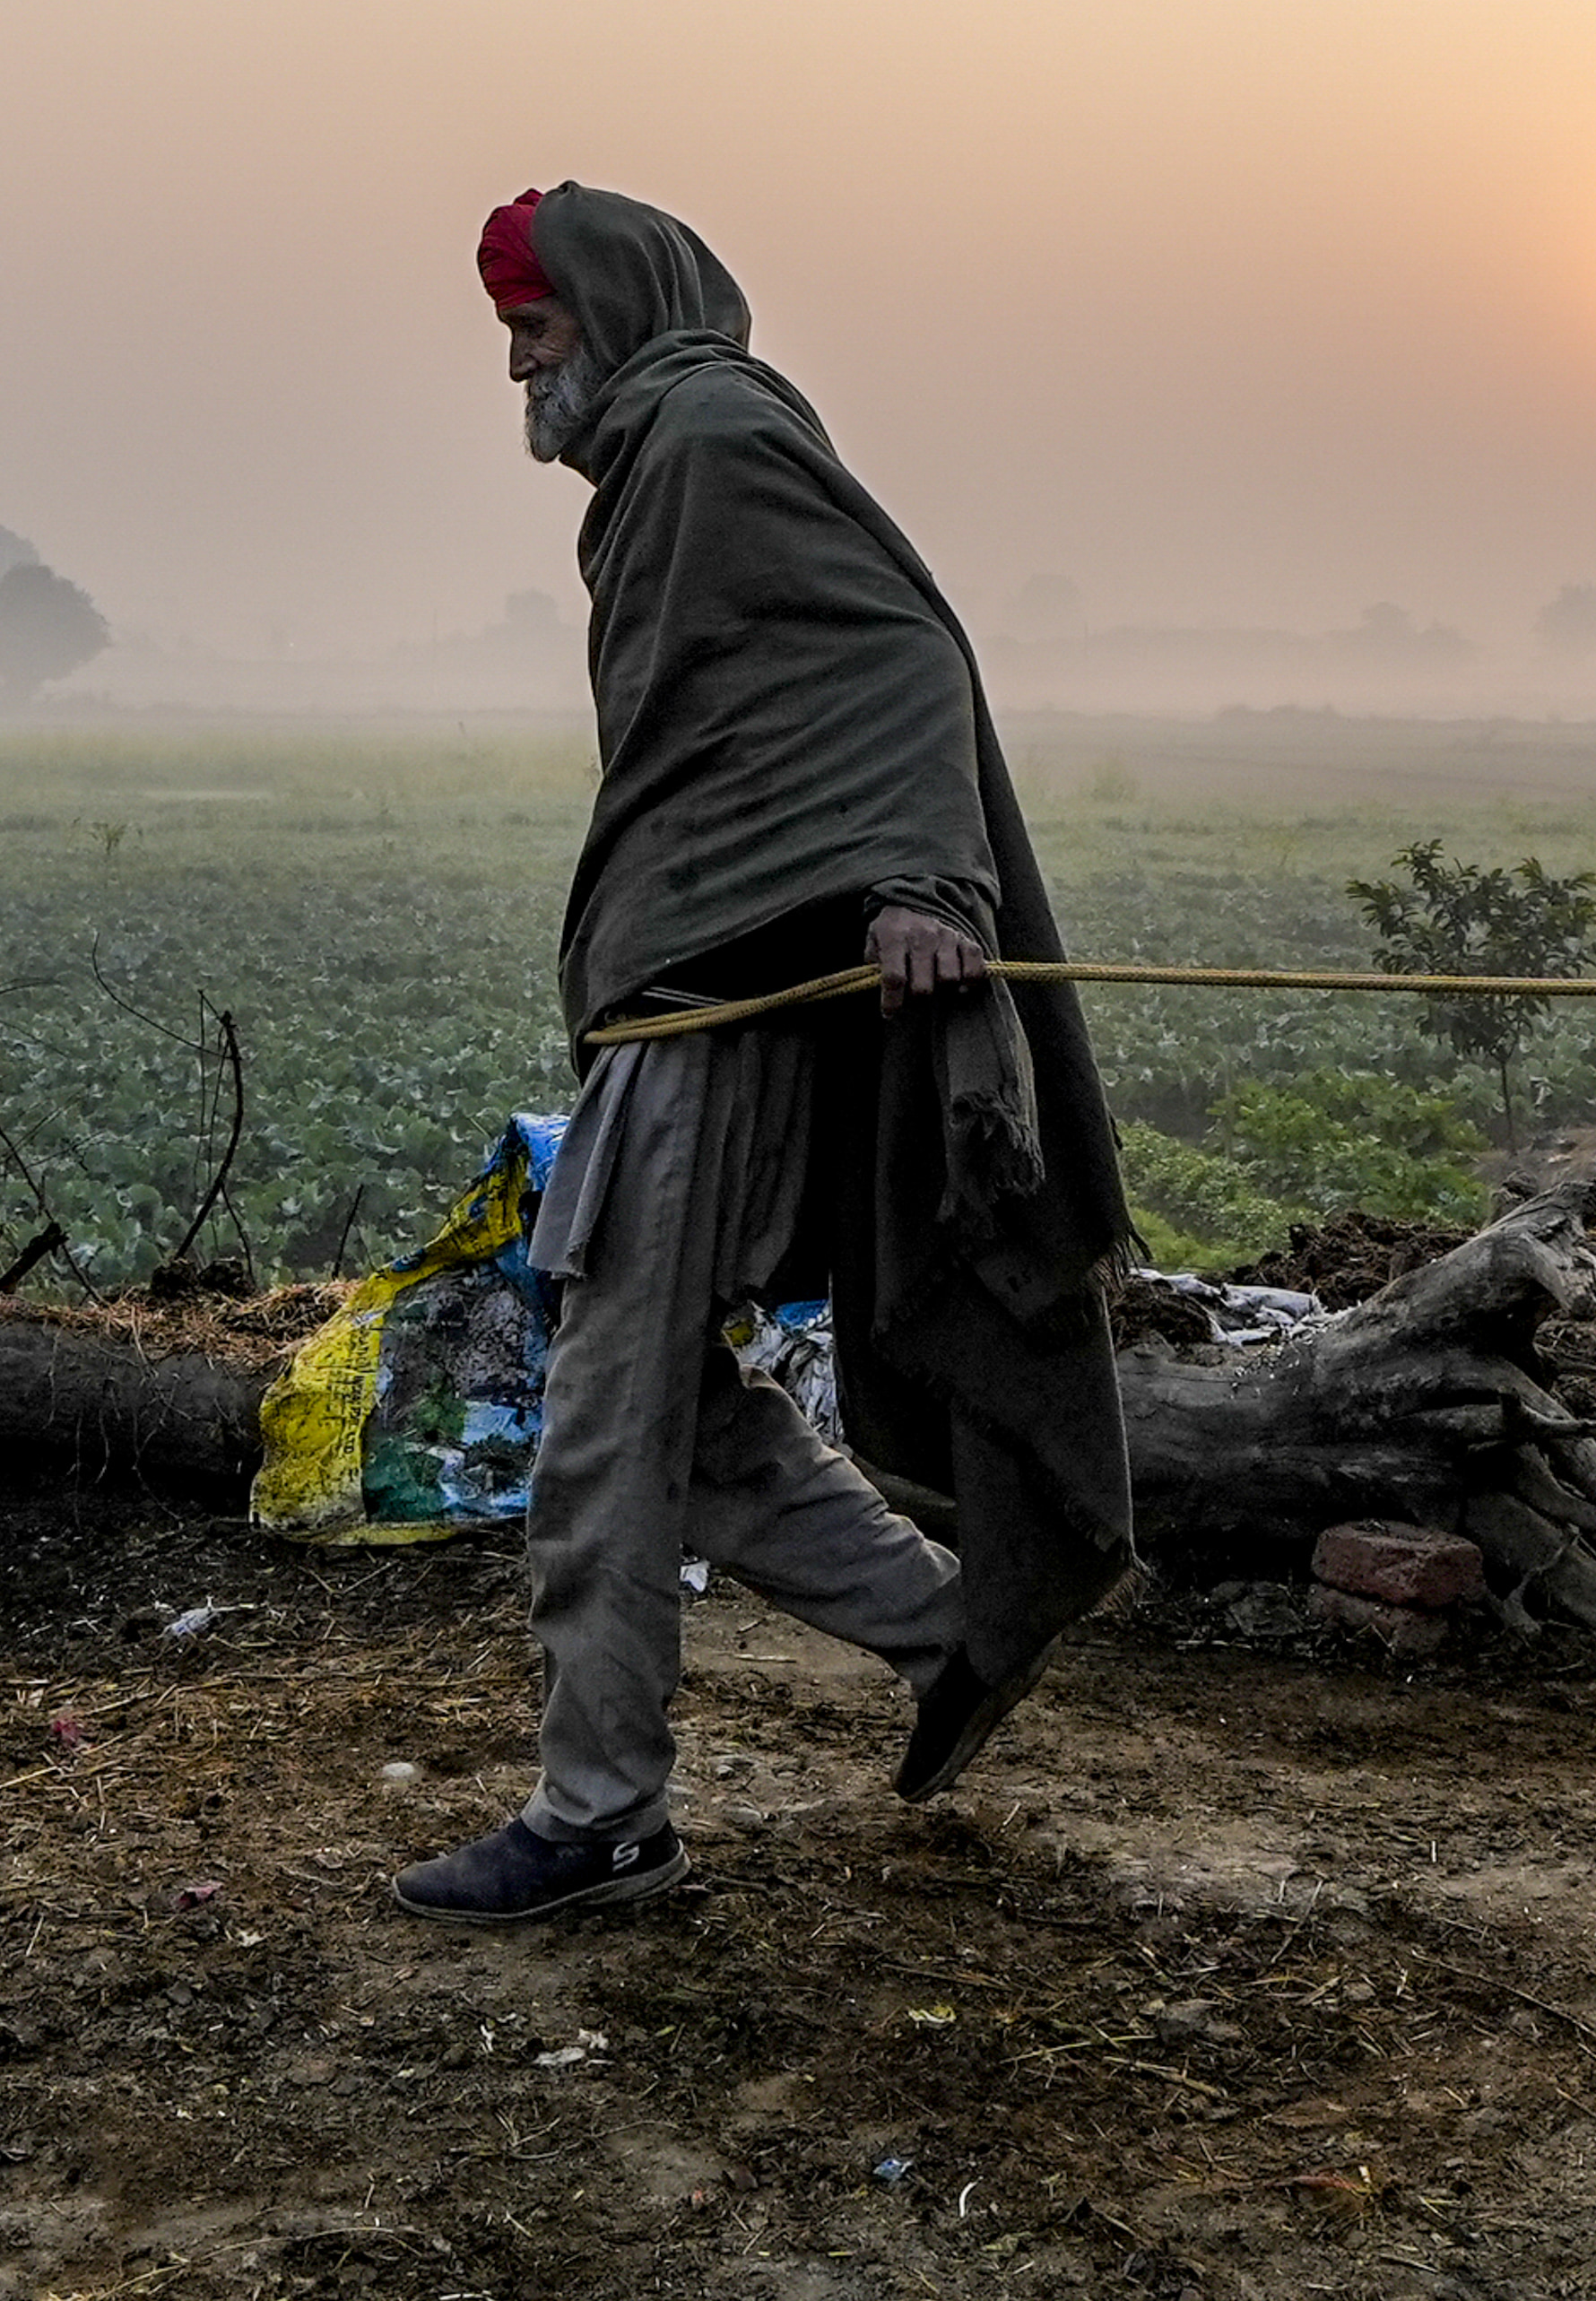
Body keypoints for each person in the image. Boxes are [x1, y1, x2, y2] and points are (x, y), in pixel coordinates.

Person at [392, 184, 1132, 1927]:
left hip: (717, 1005)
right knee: (655, 1388)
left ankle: (599, 1815)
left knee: (598, 1412)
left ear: (617, 307)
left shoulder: (716, 434)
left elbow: (897, 656)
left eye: (536, 326)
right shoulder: (676, 451)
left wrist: (924, 882)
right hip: (700, 982)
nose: (517, 368)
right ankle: (947, 1626)